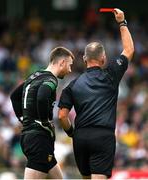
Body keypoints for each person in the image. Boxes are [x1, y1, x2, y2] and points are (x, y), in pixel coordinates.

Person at [58, 9, 134, 179]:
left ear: (84, 60)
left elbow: (62, 115)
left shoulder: (72, 85)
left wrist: (72, 133)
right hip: (103, 136)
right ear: (104, 59)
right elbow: (128, 50)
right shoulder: (111, 75)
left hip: (81, 137)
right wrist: (122, 22)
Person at [10, 47, 74, 179]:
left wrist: (23, 118)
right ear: (62, 62)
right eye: (69, 65)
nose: (70, 70)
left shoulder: (34, 76)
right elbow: (42, 96)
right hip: (39, 139)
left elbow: (14, 96)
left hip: (32, 136)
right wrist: (45, 122)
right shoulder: (51, 80)